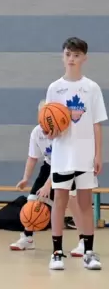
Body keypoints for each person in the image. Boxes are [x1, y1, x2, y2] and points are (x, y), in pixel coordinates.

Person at [45, 37, 104, 271]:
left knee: (84, 203)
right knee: (59, 202)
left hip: (85, 155)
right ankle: (57, 252)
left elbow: (97, 124)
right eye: (68, 54)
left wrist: (99, 155)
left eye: (77, 55)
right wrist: (50, 132)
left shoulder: (92, 88)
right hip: (62, 155)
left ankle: (89, 252)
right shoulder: (54, 88)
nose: (72, 59)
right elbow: (47, 123)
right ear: (63, 56)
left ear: (84, 58)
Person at [9, 100, 84, 254]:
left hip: (69, 166)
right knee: (32, 201)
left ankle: (84, 241)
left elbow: (62, 162)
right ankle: (27, 238)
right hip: (49, 166)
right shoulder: (37, 132)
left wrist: (48, 185)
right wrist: (25, 178)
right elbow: (32, 158)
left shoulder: (65, 132)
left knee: (72, 202)